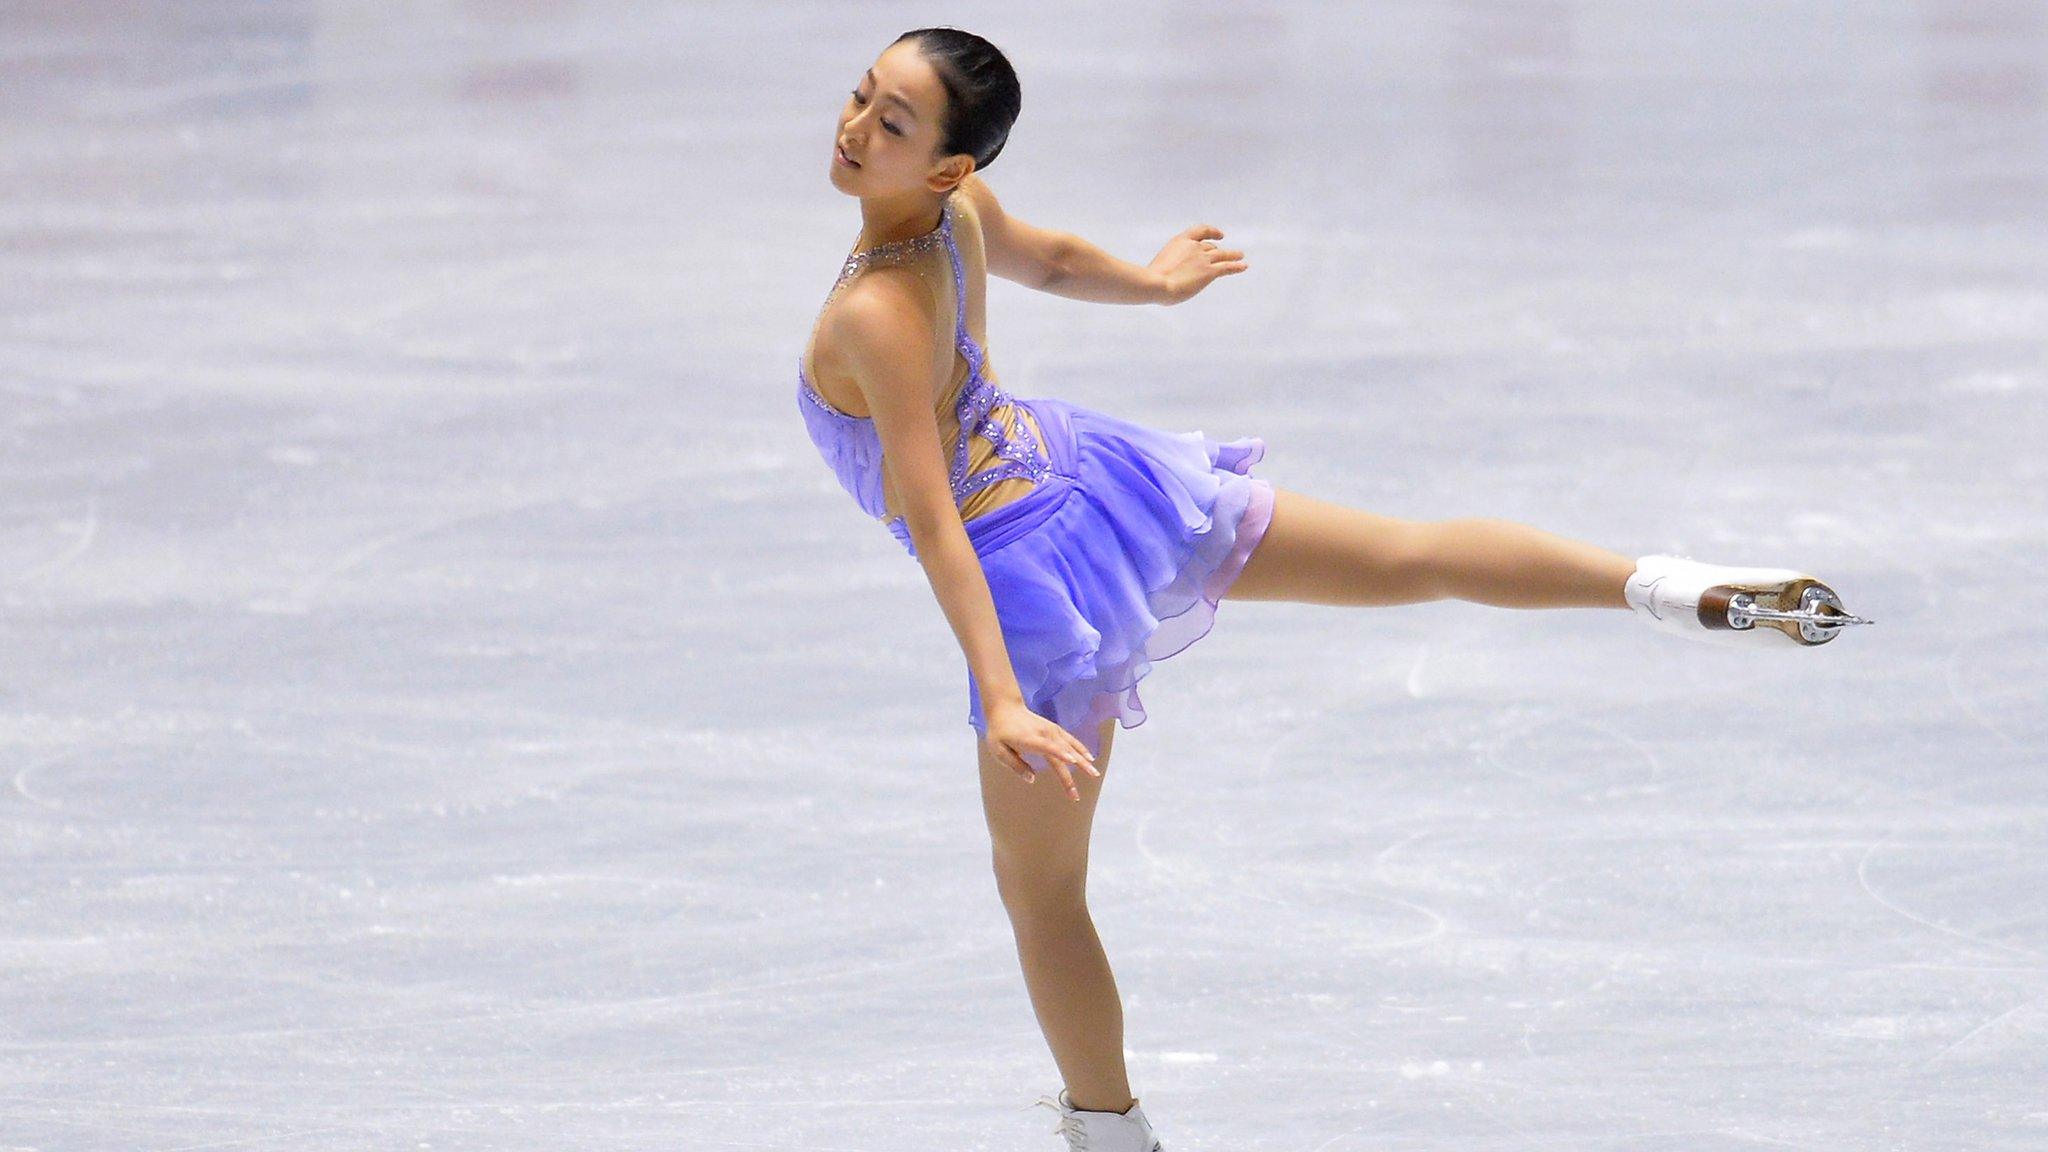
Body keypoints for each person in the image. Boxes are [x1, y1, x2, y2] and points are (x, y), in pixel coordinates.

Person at [793, 27, 1870, 1152]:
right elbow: (1053, 261)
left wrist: (1004, 692)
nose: (855, 128)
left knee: (1042, 894)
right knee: (1408, 555)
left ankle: (1110, 1135)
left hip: (1034, 580)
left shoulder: (872, 312)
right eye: (864, 97)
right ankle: (1663, 585)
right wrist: (1152, 285)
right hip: (1101, 481)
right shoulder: (954, 225)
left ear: (949, 169)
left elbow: (936, 523)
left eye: (894, 123)